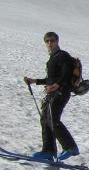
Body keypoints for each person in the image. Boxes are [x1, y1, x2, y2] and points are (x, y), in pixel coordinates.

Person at [23, 32, 79, 162]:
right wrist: (34, 81)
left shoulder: (62, 55)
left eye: (52, 40)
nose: (50, 43)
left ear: (57, 41)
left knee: (53, 119)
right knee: (45, 119)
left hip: (61, 93)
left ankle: (70, 147)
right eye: (47, 41)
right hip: (55, 93)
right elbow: (51, 79)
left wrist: (57, 85)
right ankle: (48, 151)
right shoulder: (53, 57)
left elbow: (66, 73)